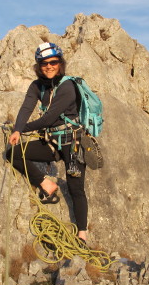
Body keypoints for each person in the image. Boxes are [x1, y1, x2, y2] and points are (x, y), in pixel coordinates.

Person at [7, 42, 89, 243]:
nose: (49, 66)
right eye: (44, 63)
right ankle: (46, 184)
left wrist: (23, 129)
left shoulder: (67, 86)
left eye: (53, 62)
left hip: (73, 144)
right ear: (38, 66)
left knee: (75, 187)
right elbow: (26, 108)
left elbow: (48, 119)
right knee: (13, 153)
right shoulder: (37, 86)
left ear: (60, 63)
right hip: (53, 142)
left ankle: (82, 235)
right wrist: (17, 128)